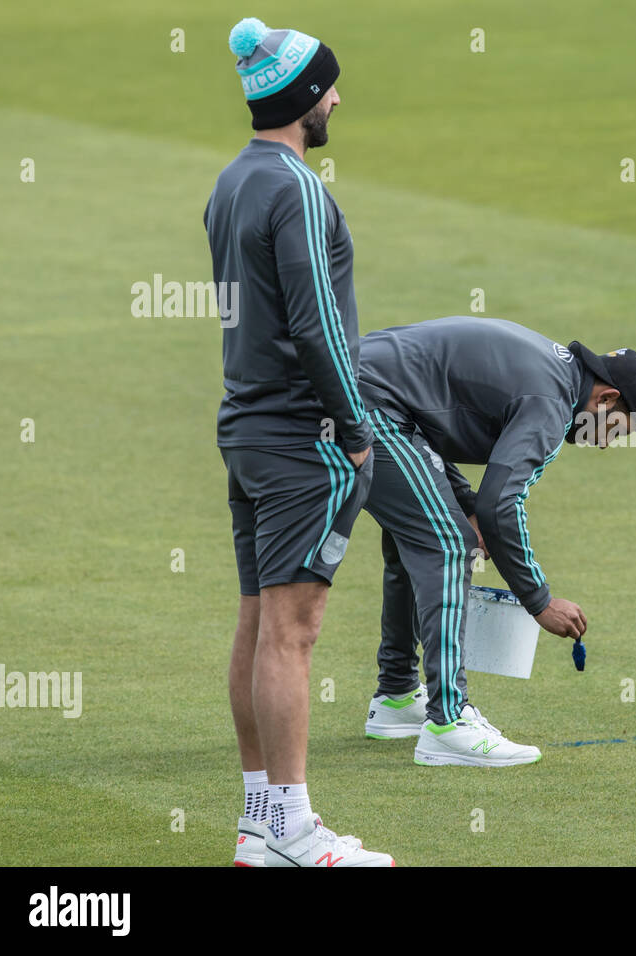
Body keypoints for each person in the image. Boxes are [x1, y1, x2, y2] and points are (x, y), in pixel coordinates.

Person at [205, 17, 392, 867]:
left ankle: (258, 820)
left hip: (245, 427)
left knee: (257, 624)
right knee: (293, 631)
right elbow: (317, 326)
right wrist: (354, 431)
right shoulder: (298, 189)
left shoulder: (230, 183)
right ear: (305, 97)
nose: (339, 98)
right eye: (330, 86)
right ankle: (290, 828)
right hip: (296, 437)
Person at [356, 317, 636, 766]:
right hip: (359, 402)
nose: (604, 445)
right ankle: (448, 723)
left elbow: (430, 435)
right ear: (607, 397)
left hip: (356, 393)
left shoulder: (555, 376)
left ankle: (398, 697)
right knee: (448, 544)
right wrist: (539, 601)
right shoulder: (552, 402)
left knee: (425, 528)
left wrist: (466, 501)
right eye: (616, 430)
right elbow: (502, 503)